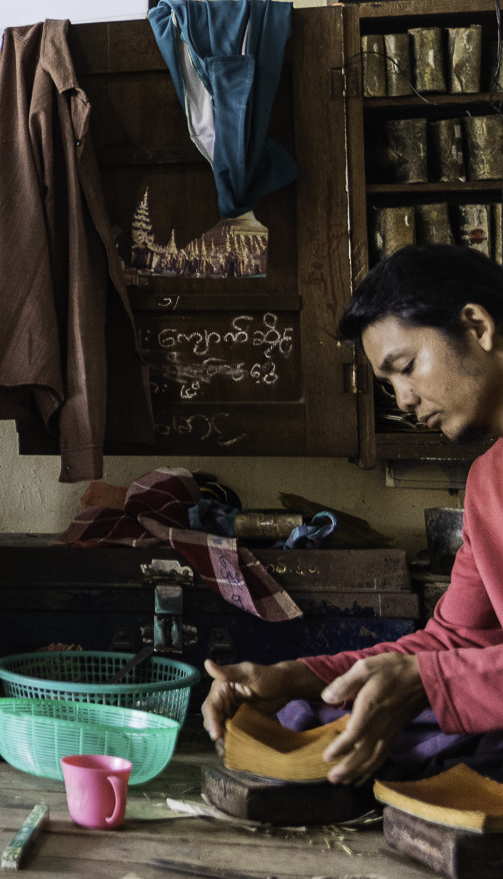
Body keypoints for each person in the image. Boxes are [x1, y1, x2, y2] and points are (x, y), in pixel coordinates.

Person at [203, 243, 503, 783]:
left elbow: (439, 668)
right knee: (322, 715)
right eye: (389, 385)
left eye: (406, 367)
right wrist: (293, 677)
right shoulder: (489, 481)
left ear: (477, 327)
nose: (404, 400)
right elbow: (451, 643)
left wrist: (430, 681)